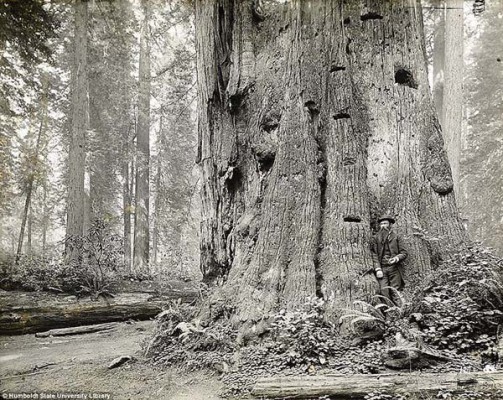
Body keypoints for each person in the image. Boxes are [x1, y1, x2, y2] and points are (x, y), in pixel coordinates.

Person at [371, 215, 407, 306]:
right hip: (382, 268)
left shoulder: (397, 237)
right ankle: (389, 311)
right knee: (383, 291)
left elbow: (404, 252)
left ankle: (400, 311)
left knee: (395, 291)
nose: (383, 226)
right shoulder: (376, 238)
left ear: (390, 225)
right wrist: (378, 269)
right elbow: (374, 254)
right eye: (381, 224)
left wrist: (396, 258)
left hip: (394, 269)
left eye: (385, 223)